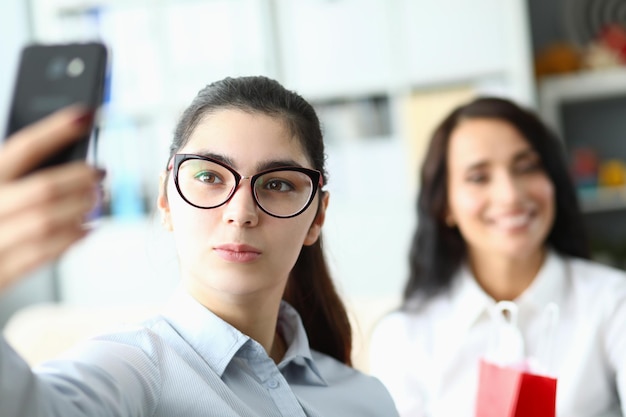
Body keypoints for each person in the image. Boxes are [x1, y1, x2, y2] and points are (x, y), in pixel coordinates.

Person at [1, 75, 399, 417]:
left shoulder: (366, 398)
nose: (241, 213)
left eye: (278, 184)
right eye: (209, 176)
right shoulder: (135, 369)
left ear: (317, 216)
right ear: (165, 199)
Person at [369, 96, 626, 417]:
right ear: (445, 205)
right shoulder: (403, 337)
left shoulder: (614, 302)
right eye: (478, 177)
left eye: (527, 167)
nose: (510, 195)